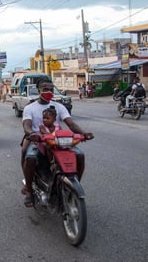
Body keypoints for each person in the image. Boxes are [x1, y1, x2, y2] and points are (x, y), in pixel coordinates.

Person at [21, 78, 94, 207]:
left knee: (80, 155)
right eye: (45, 89)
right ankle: (29, 189)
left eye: (51, 89)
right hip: (38, 140)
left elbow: (70, 123)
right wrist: (31, 134)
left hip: (57, 140)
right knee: (30, 157)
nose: (49, 92)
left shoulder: (59, 107)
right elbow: (27, 125)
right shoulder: (30, 107)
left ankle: (74, 184)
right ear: (39, 90)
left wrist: (83, 133)